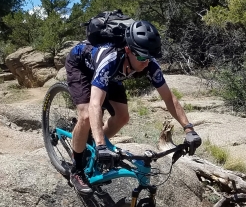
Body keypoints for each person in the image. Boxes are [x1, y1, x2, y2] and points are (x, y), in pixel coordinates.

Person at [64, 19, 202, 195]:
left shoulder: (147, 61)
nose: (147, 62)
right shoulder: (111, 59)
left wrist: (188, 129)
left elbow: (169, 98)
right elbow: (95, 104)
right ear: (128, 50)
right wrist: (101, 146)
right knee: (85, 117)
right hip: (82, 66)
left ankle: (90, 144)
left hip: (114, 75)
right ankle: (76, 169)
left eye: (150, 57)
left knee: (123, 117)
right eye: (143, 57)